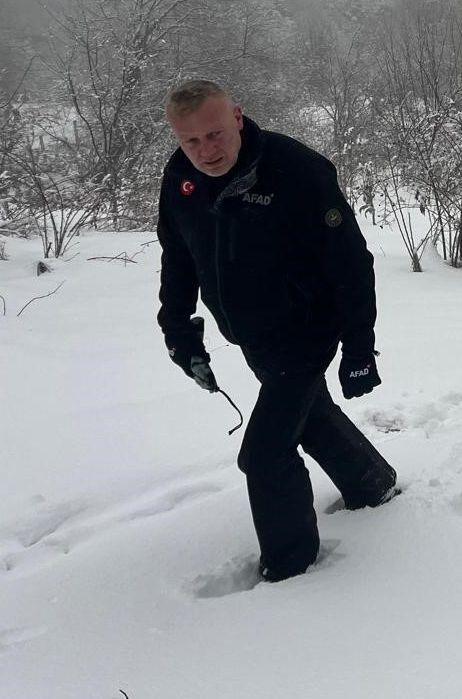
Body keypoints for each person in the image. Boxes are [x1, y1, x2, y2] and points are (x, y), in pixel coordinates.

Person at [155, 80, 395, 584]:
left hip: (306, 329)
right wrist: (179, 332)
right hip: (249, 332)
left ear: (237, 117)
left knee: (264, 454)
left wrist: (358, 347)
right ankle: (372, 483)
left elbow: (350, 262)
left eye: (216, 134)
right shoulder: (181, 182)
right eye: (192, 141)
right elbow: (178, 260)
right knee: (309, 416)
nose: (207, 151)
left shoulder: (297, 171)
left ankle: (291, 565)